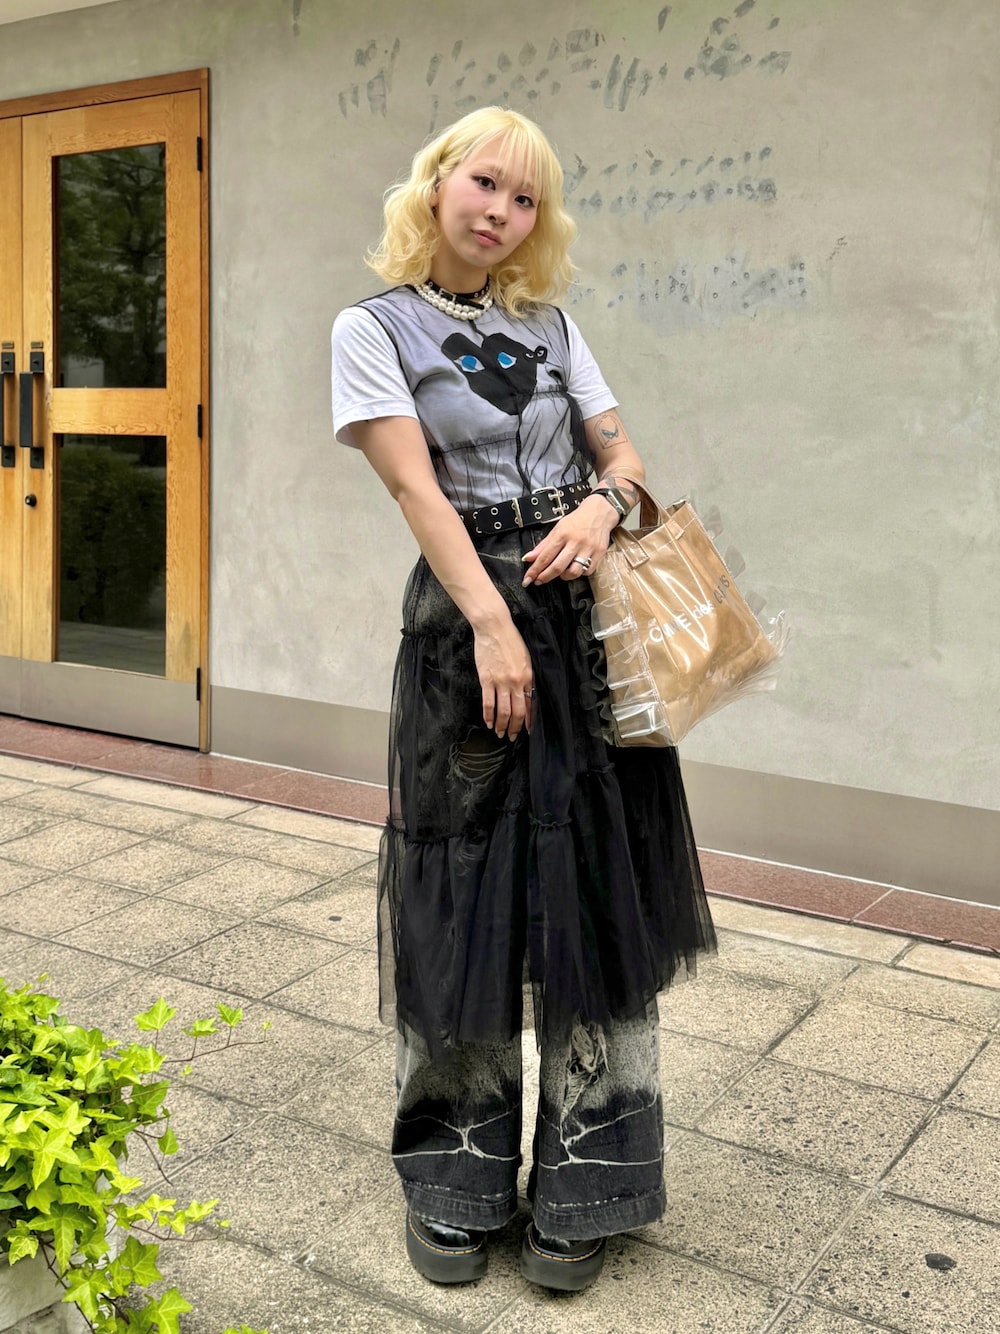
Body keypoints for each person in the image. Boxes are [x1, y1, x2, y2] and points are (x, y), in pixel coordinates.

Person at [331, 106, 715, 1293]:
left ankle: (590, 1176)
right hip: (466, 635)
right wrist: (493, 624)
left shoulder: (552, 326)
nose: (500, 210)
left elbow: (622, 456)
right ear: (436, 182)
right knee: (463, 891)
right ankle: (454, 1175)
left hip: (586, 628)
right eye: (485, 183)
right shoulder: (372, 328)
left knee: (595, 888)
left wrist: (601, 506)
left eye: (525, 197)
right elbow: (416, 491)